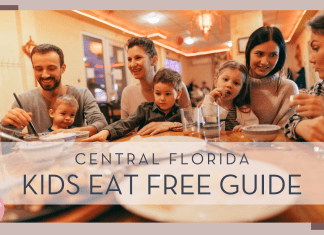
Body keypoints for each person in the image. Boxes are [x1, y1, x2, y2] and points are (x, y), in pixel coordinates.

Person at [1, 44, 107, 136]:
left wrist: (71, 133)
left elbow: (101, 124)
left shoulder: (82, 94)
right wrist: (5, 127)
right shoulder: (23, 100)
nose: (45, 74)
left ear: (63, 68)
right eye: (39, 69)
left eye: (51, 68)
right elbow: (7, 144)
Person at [82, 68, 183, 142]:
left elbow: (193, 126)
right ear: (153, 92)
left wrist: (174, 125)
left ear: (178, 94)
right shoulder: (145, 109)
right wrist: (106, 132)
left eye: (168, 94)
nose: (162, 98)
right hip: (148, 150)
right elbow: (126, 123)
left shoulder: (181, 112)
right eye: (158, 93)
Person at [120, 37, 191, 135]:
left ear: (154, 60)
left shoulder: (177, 86)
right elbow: (125, 129)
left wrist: (167, 125)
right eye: (129, 59)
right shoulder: (127, 92)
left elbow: (191, 124)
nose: (132, 64)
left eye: (138, 58)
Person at [245, 26, 299, 128]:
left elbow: (286, 131)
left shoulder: (288, 88)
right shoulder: (236, 84)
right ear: (249, 52)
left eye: (273, 55)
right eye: (260, 54)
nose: (265, 62)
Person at [285, 14, 324, 142]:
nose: (311, 59)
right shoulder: (321, 86)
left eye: (316, 48)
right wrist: (300, 127)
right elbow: (289, 123)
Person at [202, 60, 258, 132]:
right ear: (215, 82)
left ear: (241, 90)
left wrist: (244, 129)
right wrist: (209, 99)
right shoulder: (208, 105)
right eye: (225, 79)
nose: (229, 85)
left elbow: (254, 128)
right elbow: (202, 124)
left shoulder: (245, 111)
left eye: (236, 83)